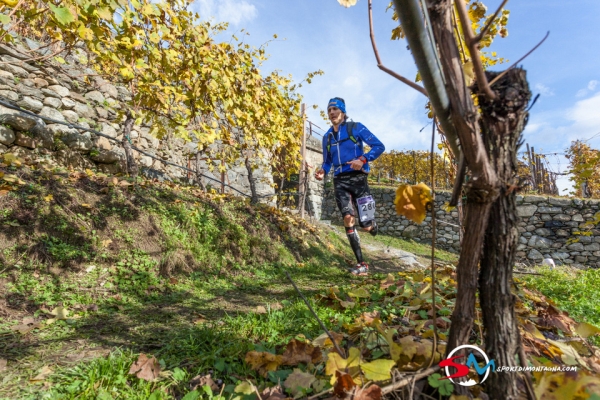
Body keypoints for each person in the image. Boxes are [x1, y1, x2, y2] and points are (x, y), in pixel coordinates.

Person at [314, 97, 385, 275]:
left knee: (366, 226)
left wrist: (363, 159)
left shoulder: (356, 128)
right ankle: (362, 263)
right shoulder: (327, 137)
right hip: (340, 180)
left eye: (335, 109)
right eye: (329, 110)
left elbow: (379, 146)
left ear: (343, 111)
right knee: (347, 217)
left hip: (358, 179)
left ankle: (371, 225)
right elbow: (327, 161)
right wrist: (322, 171)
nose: (331, 113)